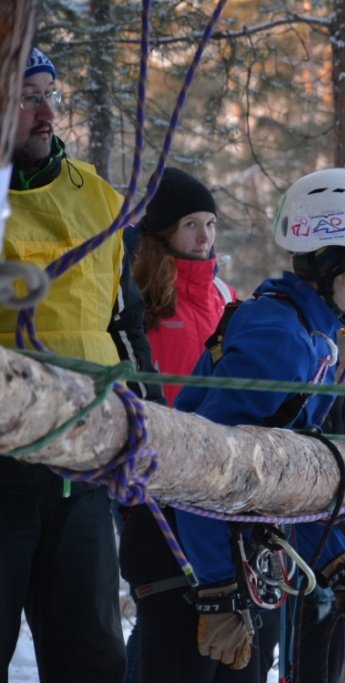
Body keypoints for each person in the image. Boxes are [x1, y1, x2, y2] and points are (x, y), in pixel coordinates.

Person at [120, 167, 345, 682]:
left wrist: (335, 559)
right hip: (186, 556)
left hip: (224, 555)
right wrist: (215, 592)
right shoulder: (281, 341)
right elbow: (209, 473)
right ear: (333, 264)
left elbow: (283, 473)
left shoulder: (310, 333)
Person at [0, 47, 164, 683]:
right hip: (3, 476)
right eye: (25, 97)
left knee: (93, 658)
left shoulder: (99, 197)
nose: (46, 113)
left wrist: (148, 427)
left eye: (51, 94)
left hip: (84, 476)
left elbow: (127, 324)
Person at [131, 167, 237, 406]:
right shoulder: (138, 293)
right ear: (165, 232)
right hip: (159, 434)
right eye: (191, 224)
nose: (204, 237)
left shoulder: (225, 295)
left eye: (210, 224)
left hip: (223, 436)